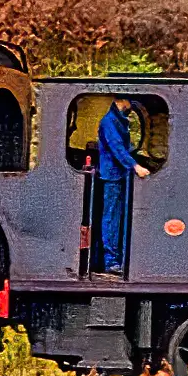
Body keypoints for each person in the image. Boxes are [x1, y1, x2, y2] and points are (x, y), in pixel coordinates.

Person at [80, 94, 144, 274]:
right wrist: (135, 165)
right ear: (121, 100)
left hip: (118, 174)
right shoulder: (109, 122)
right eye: (130, 101)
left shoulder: (118, 120)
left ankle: (115, 259)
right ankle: (111, 261)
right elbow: (117, 147)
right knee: (111, 218)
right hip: (112, 176)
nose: (131, 106)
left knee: (115, 217)